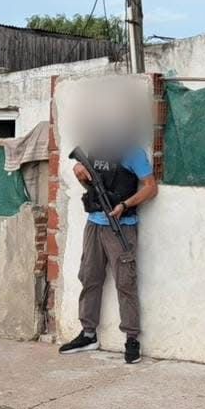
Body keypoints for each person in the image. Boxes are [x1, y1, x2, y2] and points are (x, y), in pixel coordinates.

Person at [58, 144, 157, 364]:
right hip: (94, 223)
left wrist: (125, 204)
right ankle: (88, 335)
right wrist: (79, 173)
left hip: (122, 226)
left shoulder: (132, 152)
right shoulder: (95, 149)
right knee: (89, 278)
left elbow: (151, 188)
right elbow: (89, 186)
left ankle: (131, 339)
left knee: (125, 283)